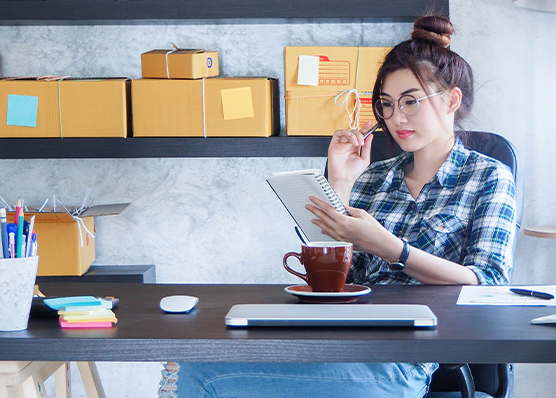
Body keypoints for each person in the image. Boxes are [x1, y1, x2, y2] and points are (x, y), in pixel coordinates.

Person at [173, 14, 517, 398]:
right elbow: (332, 282)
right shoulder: (373, 177)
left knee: (202, 377)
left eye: (410, 102)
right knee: (199, 362)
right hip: (340, 340)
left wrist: (392, 249)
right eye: (386, 104)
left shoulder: (489, 177)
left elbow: (492, 284)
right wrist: (340, 182)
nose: (395, 118)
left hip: (404, 361)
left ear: (452, 99)